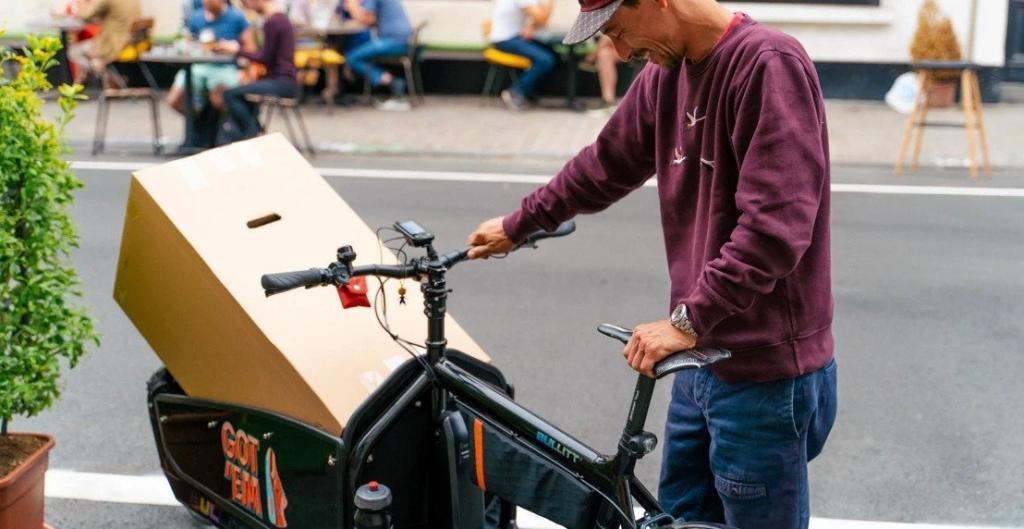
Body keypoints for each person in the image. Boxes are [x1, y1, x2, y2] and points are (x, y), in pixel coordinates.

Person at [465, 1, 837, 528]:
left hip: (764, 374)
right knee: (680, 518)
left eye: (618, 29)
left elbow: (774, 231)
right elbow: (605, 164)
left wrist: (688, 321)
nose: (619, 50)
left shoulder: (767, 64)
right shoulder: (667, 73)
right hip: (698, 360)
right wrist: (520, 222)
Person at [216, 0, 298, 143]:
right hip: (287, 81)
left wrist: (237, 50)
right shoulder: (281, 18)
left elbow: (264, 58)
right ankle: (253, 133)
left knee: (231, 94)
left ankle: (255, 134)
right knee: (244, 93)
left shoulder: (272, 22)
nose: (246, 6)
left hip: (281, 82)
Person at [166, 0, 254, 115]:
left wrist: (243, 67)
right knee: (174, 99)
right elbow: (188, 42)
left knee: (218, 99)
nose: (207, 2)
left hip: (225, 67)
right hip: (199, 66)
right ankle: (199, 124)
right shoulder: (195, 17)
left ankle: (233, 128)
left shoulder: (237, 17)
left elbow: (250, 49)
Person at [342, 0, 413, 111]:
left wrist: (352, 6)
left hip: (393, 41)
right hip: (403, 40)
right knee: (356, 54)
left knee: (351, 58)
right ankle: (392, 84)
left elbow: (368, 19)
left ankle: (392, 82)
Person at [489, 0, 556, 111]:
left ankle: (529, 92)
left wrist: (531, 25)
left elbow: (539, 19)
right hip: (504, 40)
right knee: (545, 60)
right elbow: (542, 20)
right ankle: (516, 92)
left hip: (514, 36)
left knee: (554, 54)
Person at [66, 0, 142, 84]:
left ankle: (105, 73)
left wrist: (82, 4)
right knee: (94, 57)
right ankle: (109, 77)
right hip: (131, 44)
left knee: (73, 52)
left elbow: (86, 15)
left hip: (112, 45)